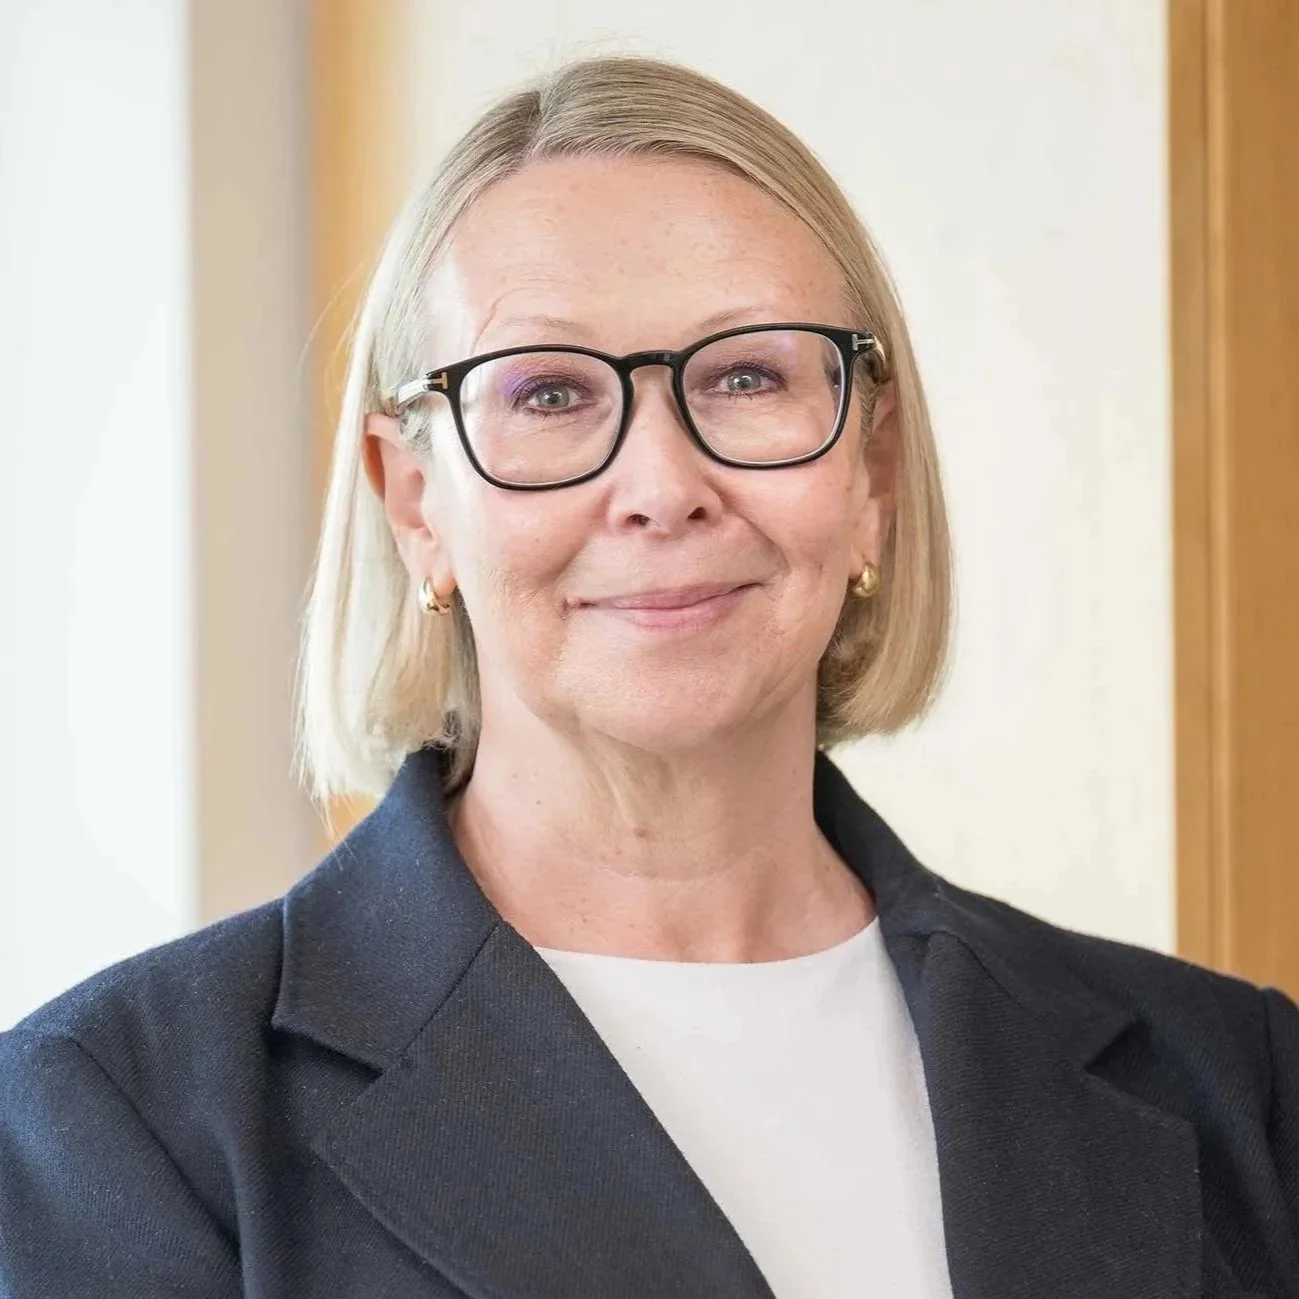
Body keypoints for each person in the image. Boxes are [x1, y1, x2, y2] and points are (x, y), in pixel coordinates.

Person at [1, 54, 1296, 1299]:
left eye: (747, 376)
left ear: (873, 473)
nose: (664, 487)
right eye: (548, 395)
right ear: (415, 506)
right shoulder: (112, 1121)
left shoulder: (1245, 1084)